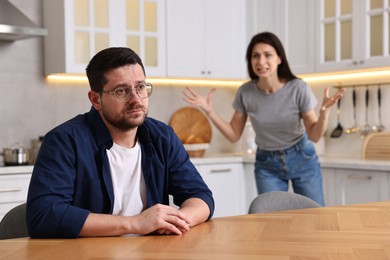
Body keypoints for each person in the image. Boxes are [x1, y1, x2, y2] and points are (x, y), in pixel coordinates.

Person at [26, 47, 214, 238]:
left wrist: (178, 219)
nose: (136, 99)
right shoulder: (64, 141)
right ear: (95, 99)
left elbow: (200, 197)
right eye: (121, 91)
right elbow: (44, 215)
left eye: (140, 87)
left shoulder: (162, 137)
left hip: (153, 252)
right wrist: (135, 223)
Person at [183, 32, 345, 206]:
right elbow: (233, 134)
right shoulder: (246, 92)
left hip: (302, 158)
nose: (261, 62)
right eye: (255, 56)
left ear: (279, 58)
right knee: (272, 221)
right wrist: (209, 111)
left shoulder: (298, 88)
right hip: (267, 164)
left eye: (268, 55)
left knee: (314, 217)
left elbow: (314, 135)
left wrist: (324, 113)